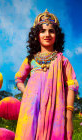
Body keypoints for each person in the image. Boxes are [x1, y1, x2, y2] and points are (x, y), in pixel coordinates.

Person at [14, 9, 79, 140]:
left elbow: (72, 86)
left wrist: (69, 116)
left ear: (57, 35)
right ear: (36, 35)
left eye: (51, 31)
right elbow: (19, 78)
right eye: (42, 31)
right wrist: (27, 92)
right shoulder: (31, 59)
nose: (47, 34)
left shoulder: (62, 61)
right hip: (31, 107)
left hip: (56, 109)